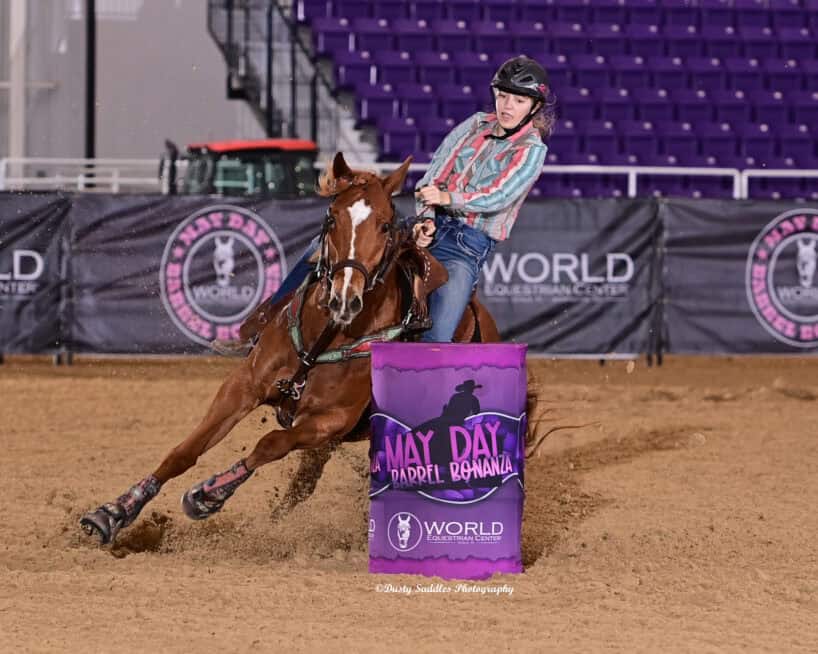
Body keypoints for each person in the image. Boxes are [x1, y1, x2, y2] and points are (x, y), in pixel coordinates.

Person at [211, 55, 554, 354]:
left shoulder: (532, 150)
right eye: (503, 96)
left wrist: (449, 199)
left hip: (466, 247)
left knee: (438, 334)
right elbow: (434, 173)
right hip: (427, 226)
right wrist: (426, 218)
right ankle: (261, 325)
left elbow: (501, 194)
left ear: (534, 108)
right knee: (320, 249)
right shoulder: (475, 125)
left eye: (519, 101)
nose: (507, 106)